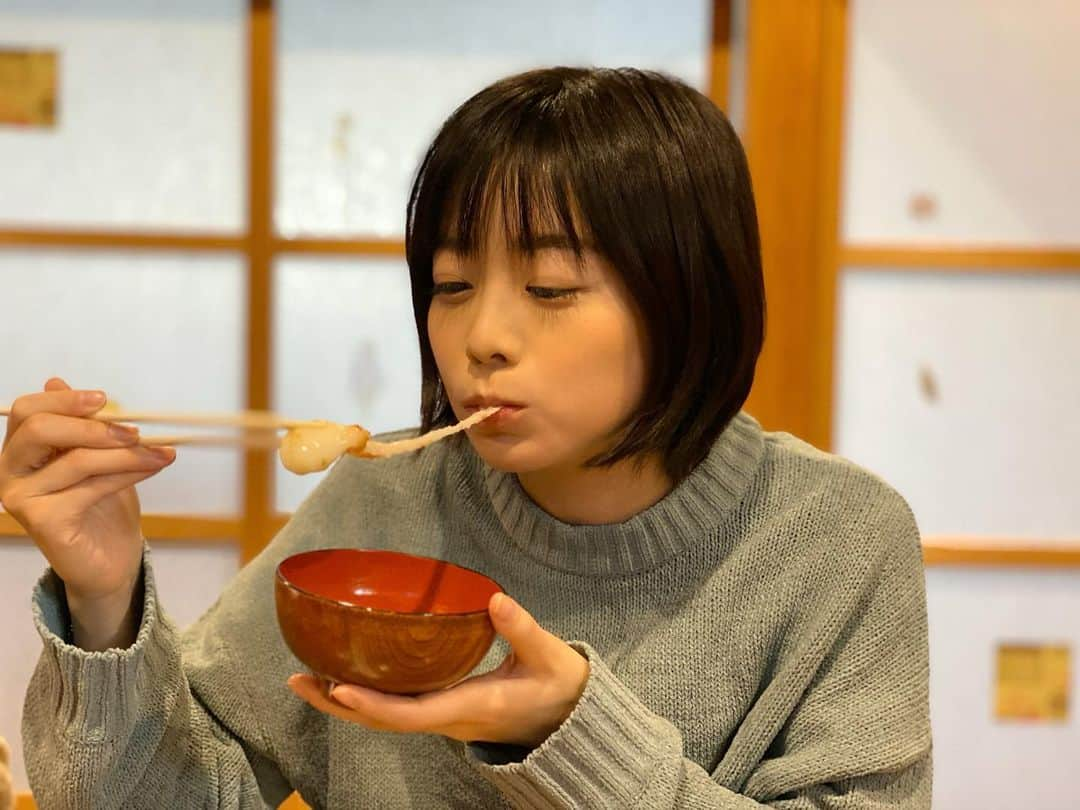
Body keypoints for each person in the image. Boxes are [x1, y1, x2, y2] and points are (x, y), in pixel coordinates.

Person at [6, 67, 931, 808]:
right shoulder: (386, 502)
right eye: (451, 286)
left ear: (689, 296)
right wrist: (105, 599)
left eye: (552, 287)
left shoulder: (838, 542)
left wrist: (571, 733)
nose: (480, 337)